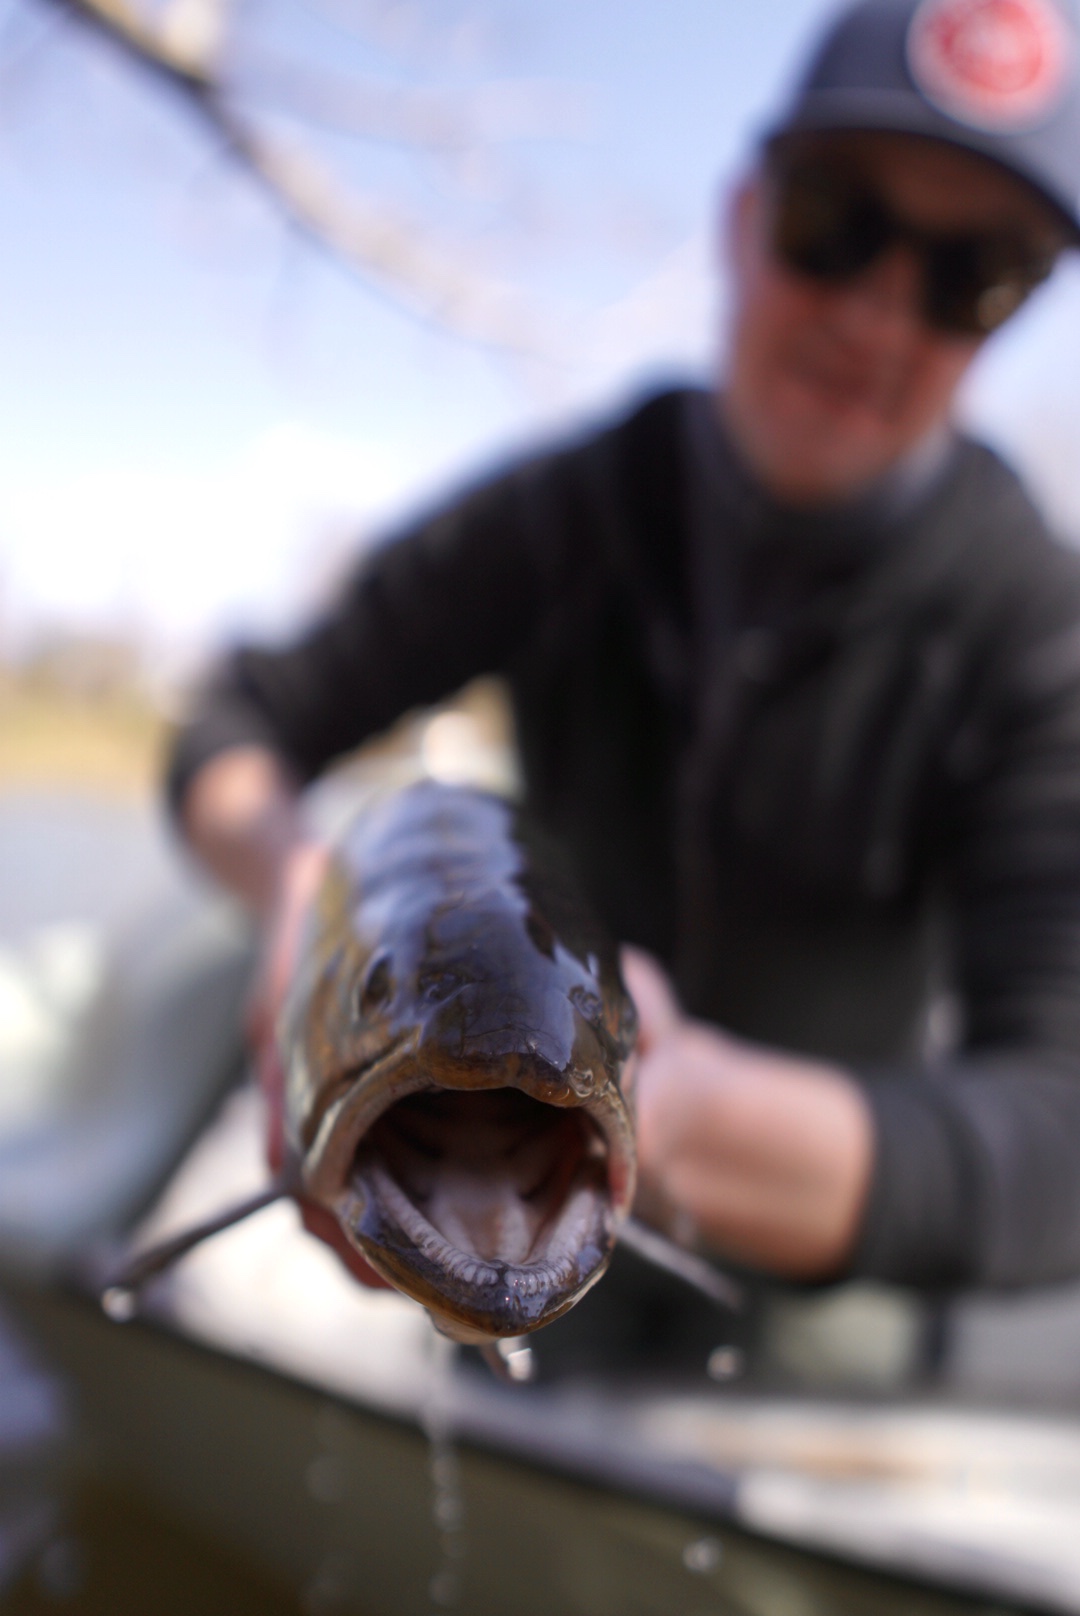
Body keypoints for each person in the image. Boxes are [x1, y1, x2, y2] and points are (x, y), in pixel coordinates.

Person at [168, 0, 1080, 1297]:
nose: (878, 317)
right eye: (837, 223)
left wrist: (695, 1117)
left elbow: (1061, 1133)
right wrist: (294, 899)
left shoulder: (1039, 629)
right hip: (487, 1167)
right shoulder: (566, 516)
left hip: (825, 1265)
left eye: (972, 275)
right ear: (743, 216)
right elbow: (232, 727)